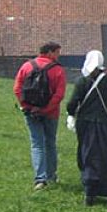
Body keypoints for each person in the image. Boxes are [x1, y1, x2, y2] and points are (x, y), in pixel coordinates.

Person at [66, 50, 107, 205]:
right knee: (102, 156)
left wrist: (71, 114)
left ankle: (89, 188)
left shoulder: (81, 82)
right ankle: (98, 187)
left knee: (86, 153)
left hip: (84, 124)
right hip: (103, 123)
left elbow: (72, 103)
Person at [14, 41, 67, 189]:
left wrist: (26, 106)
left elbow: (17, 88)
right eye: (57, 52)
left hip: (30, 111)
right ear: (50, 52)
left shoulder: (27, 66)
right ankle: (51, 176)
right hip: (51, 113)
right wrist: (47, 109)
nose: (58, 56)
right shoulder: (58, 70)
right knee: (50, 143)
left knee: (37, 143)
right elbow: (59, 94)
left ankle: (40, 178)